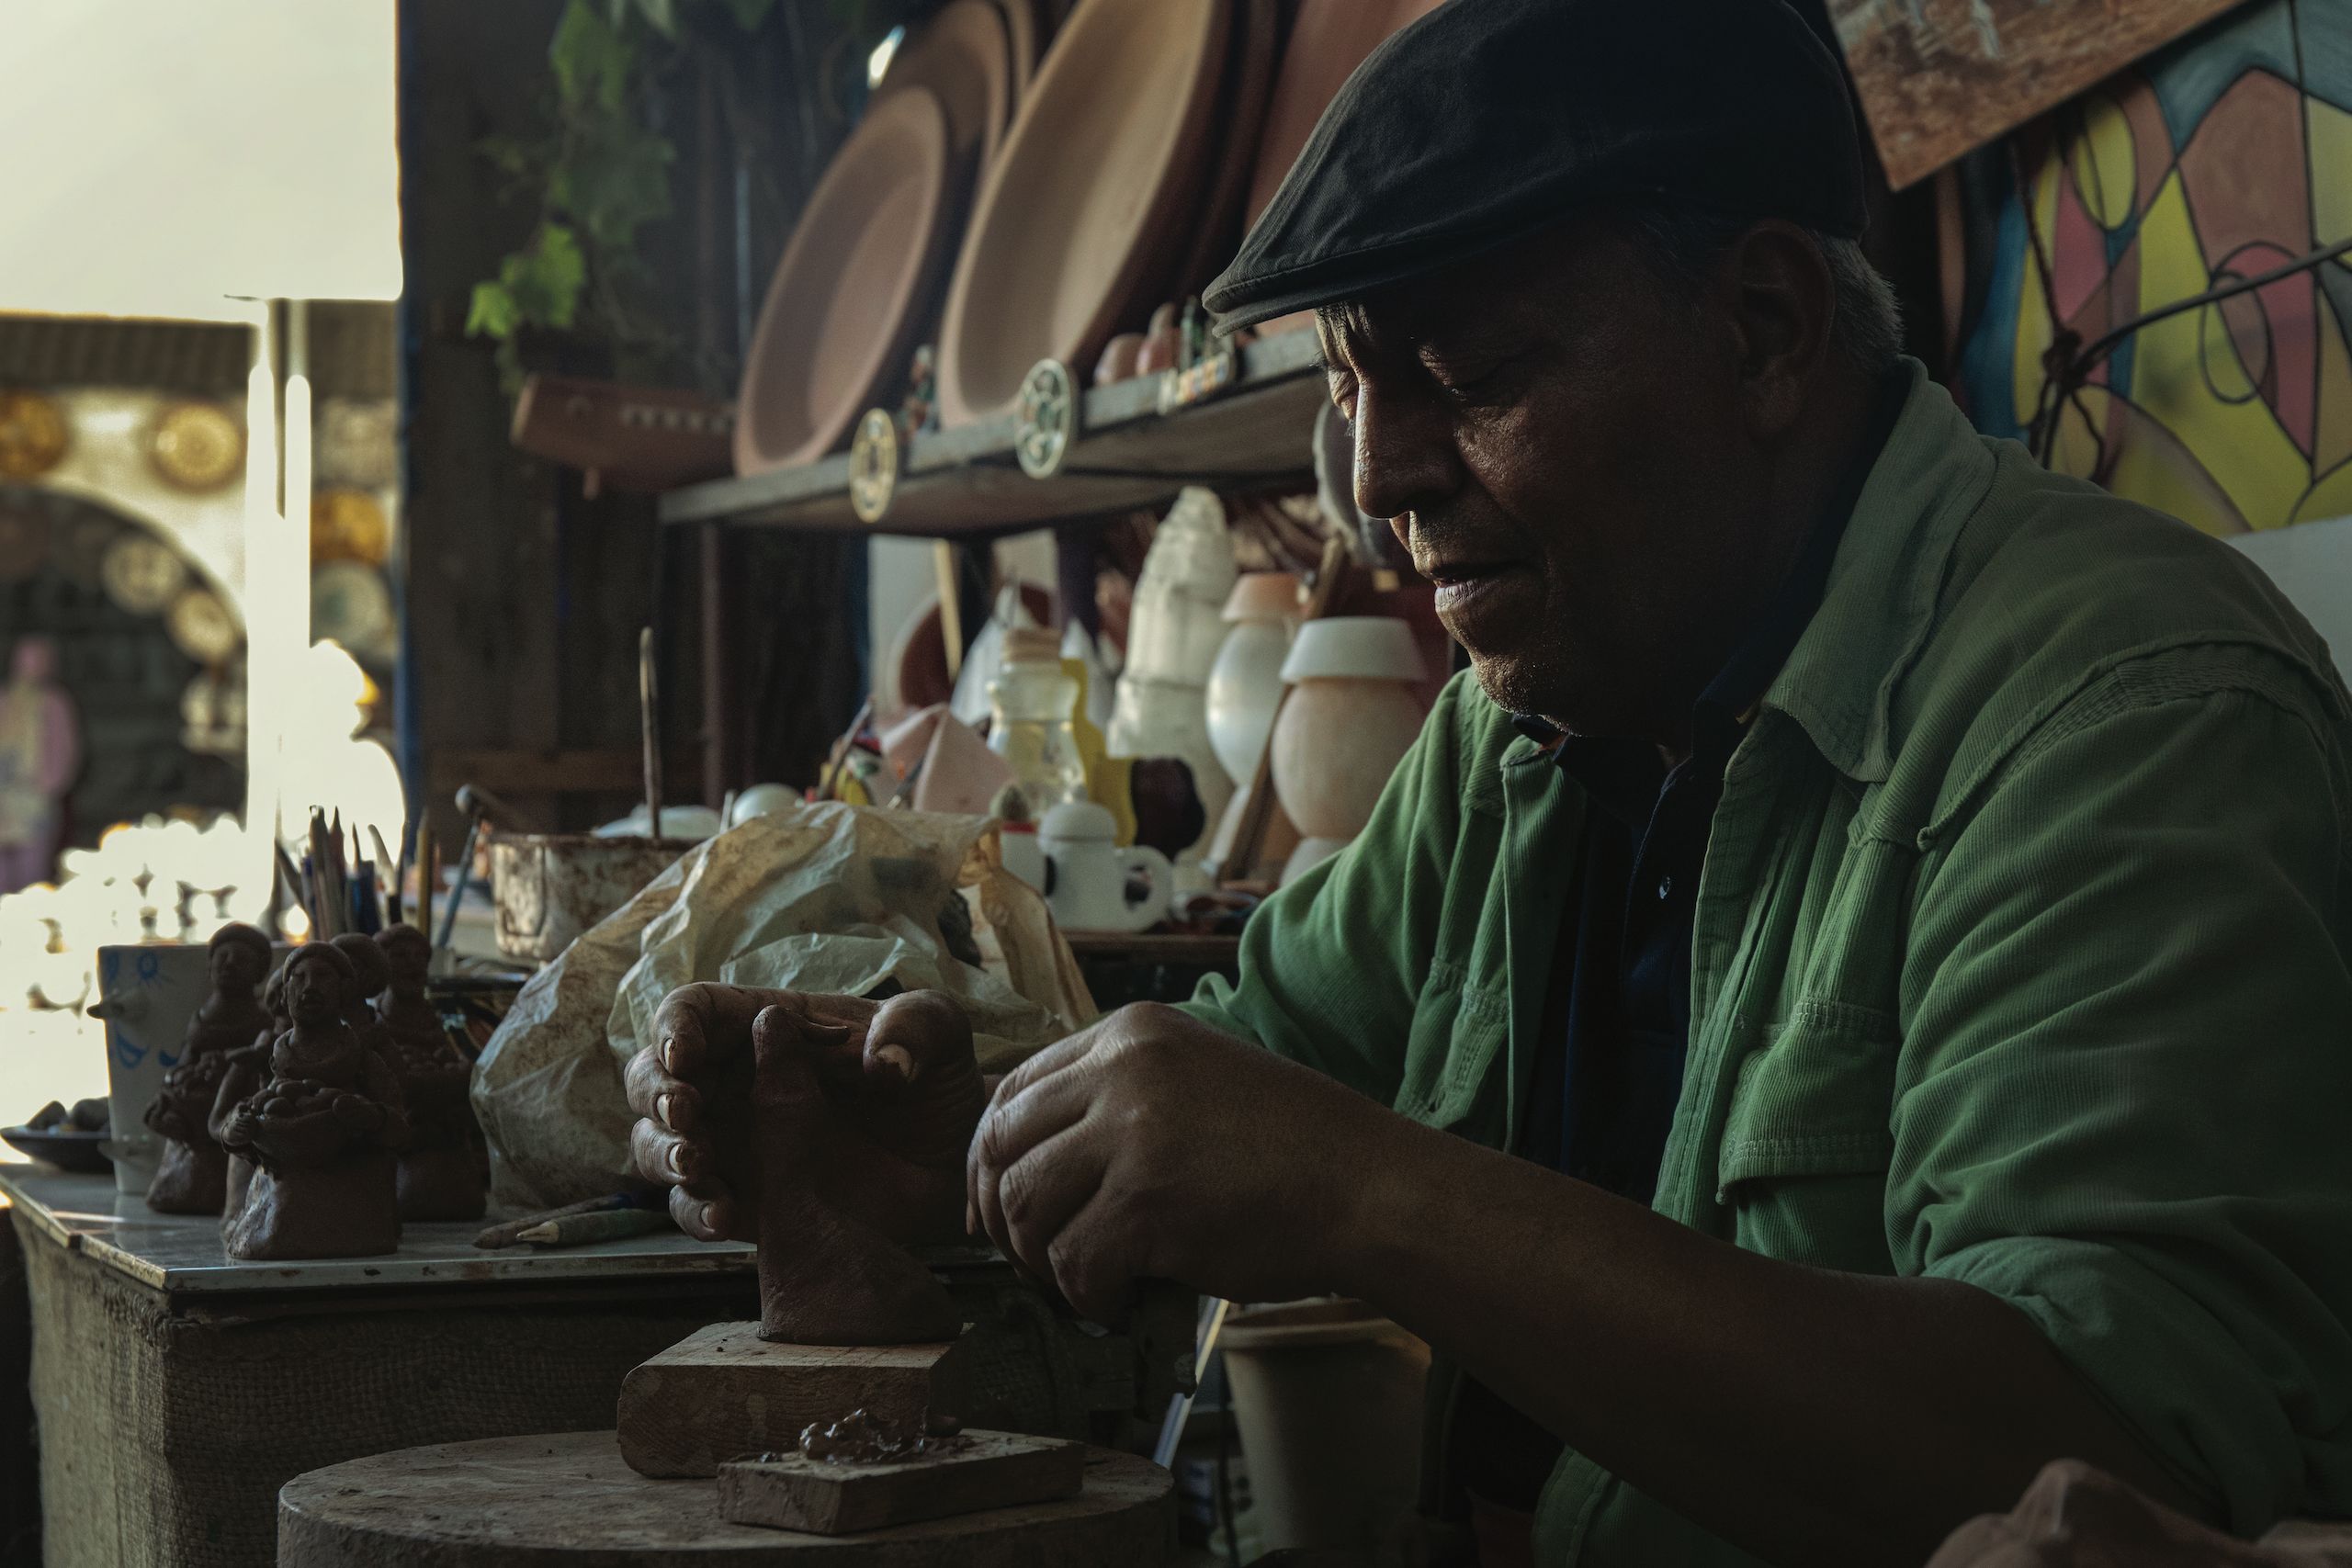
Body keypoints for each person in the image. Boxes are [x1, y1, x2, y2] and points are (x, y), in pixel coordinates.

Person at [626, 3, 2352, 1563]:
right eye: (1355, 384)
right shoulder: (1527, 720)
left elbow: (2112, 1461)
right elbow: (1247, 1088)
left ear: (1763, 326)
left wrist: (1367, 1192)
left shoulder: (2122, 713)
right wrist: (964, 1160)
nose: (1382, 480)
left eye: (1477, 375)